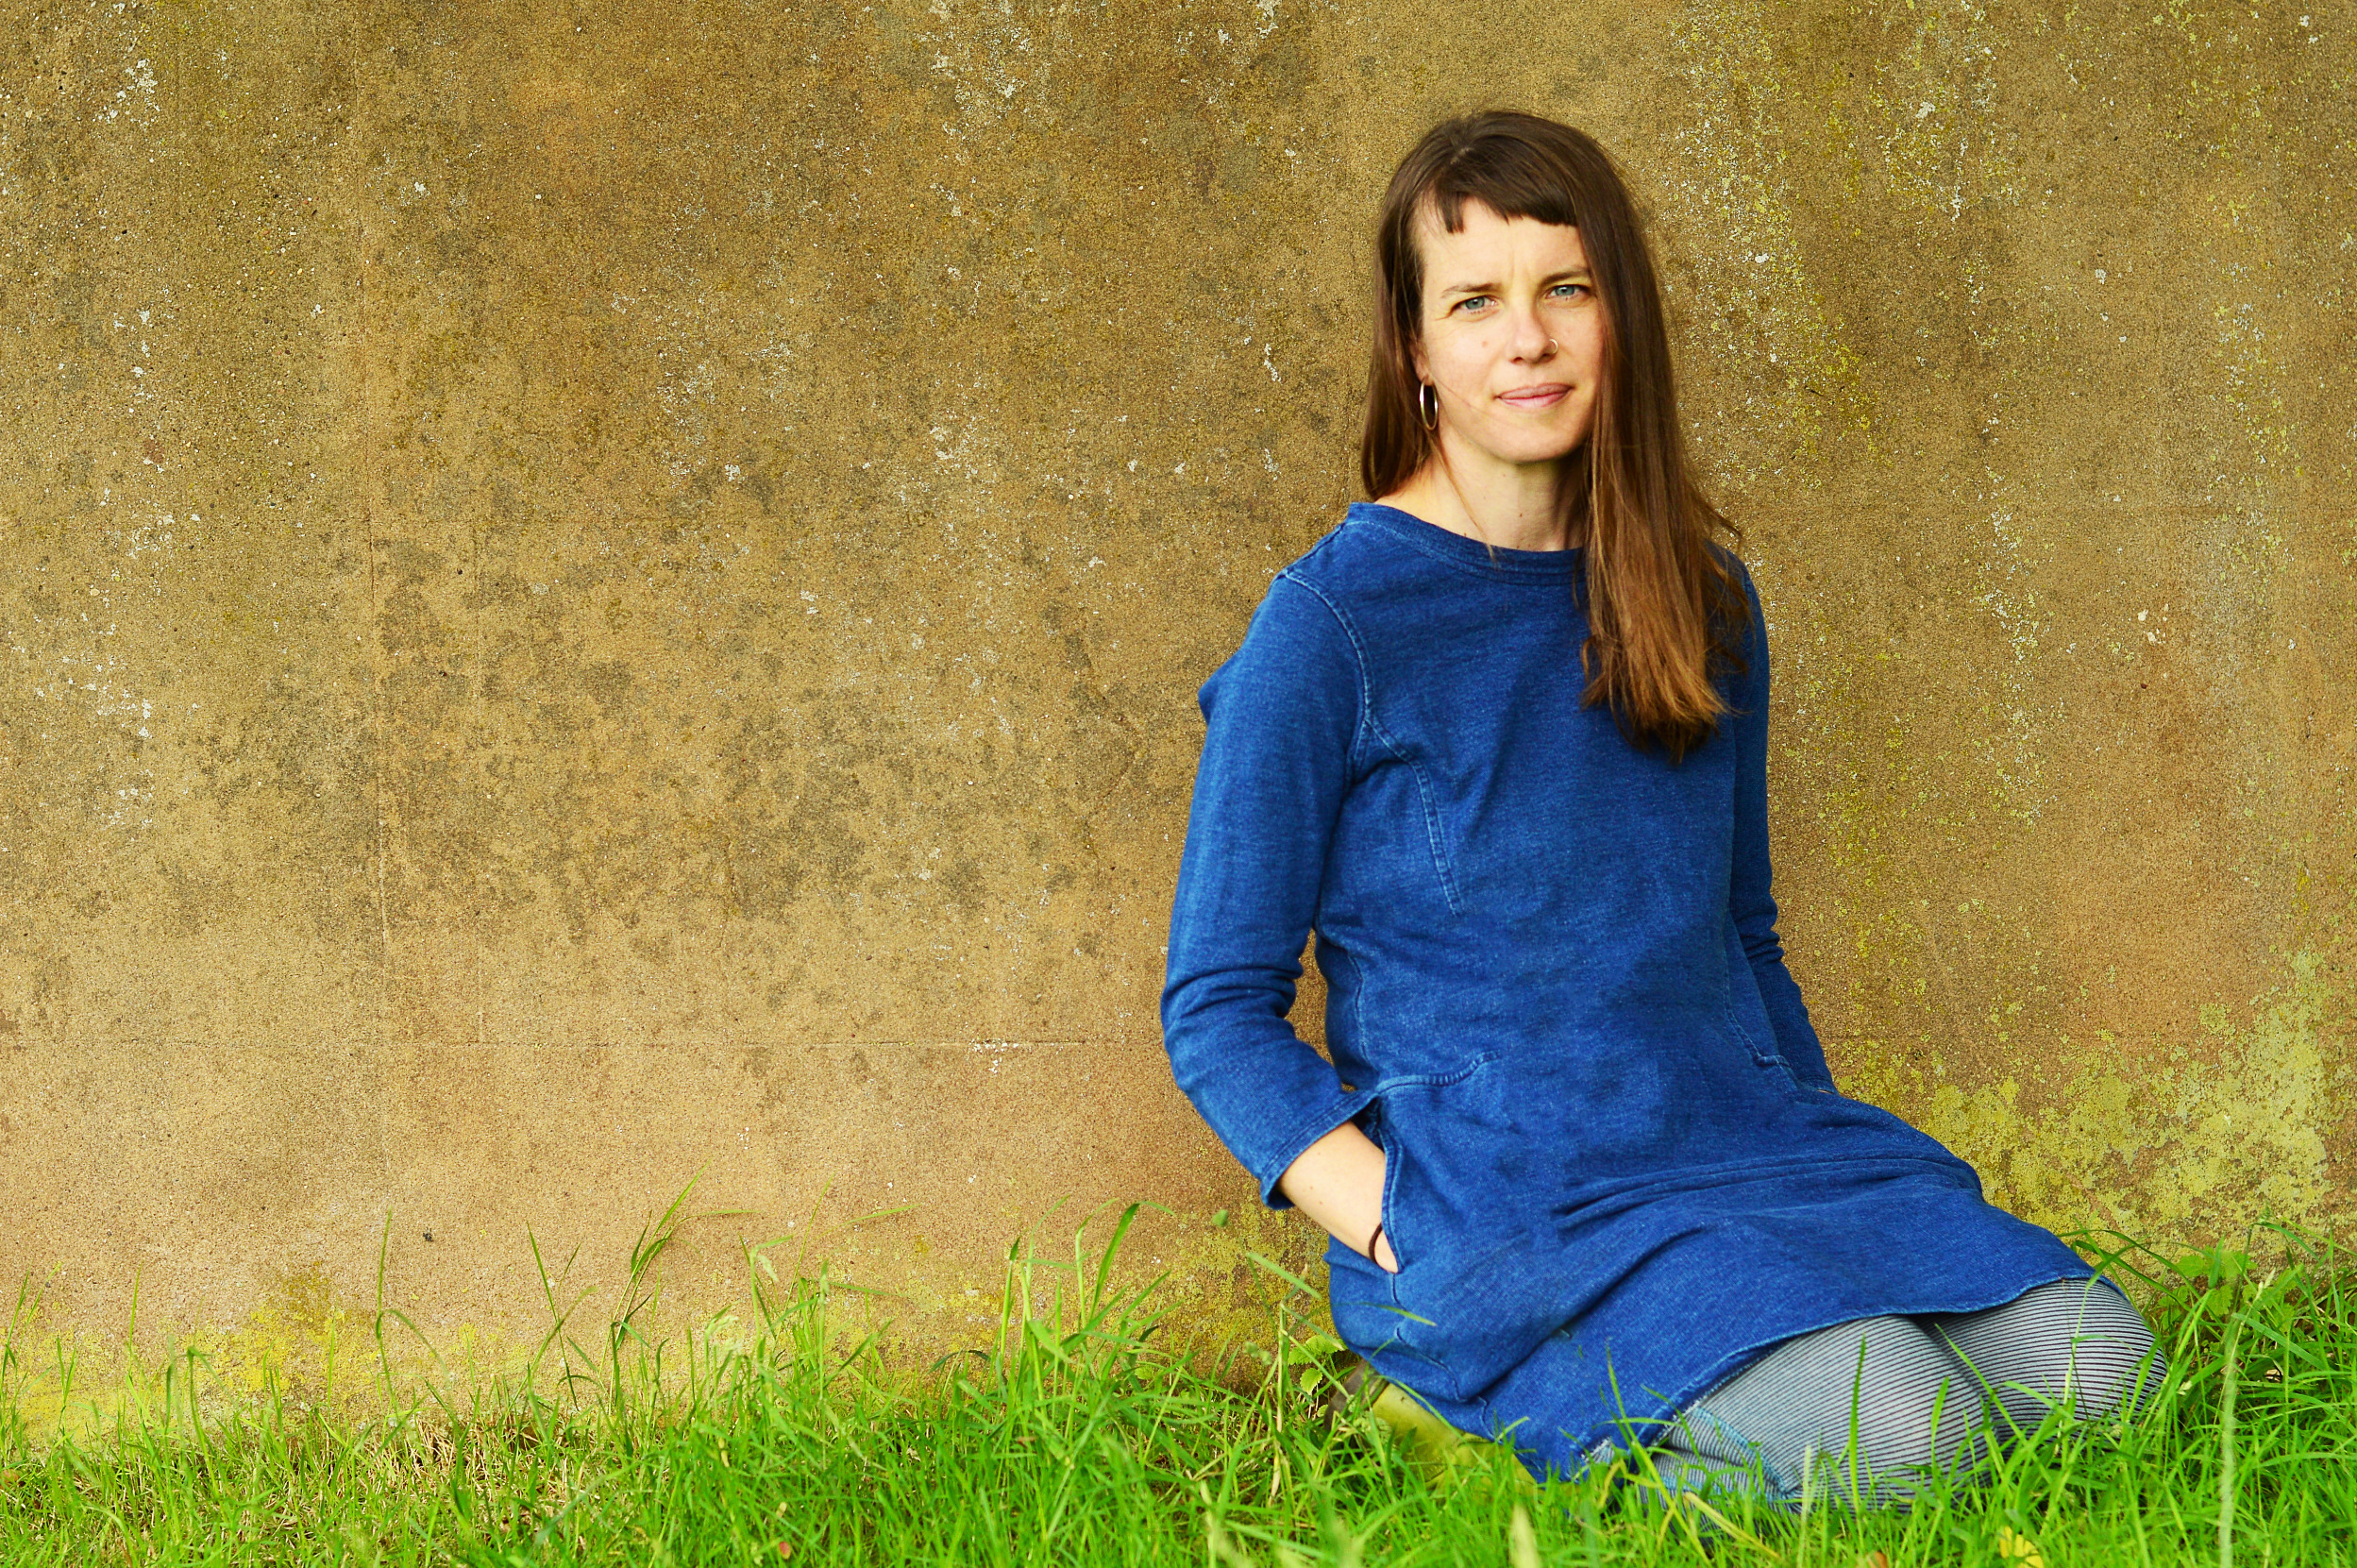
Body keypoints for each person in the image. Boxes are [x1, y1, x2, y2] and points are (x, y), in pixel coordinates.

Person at [1157, 110, 2164, 1507]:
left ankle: (1773, 1315)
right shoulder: (1329, 627)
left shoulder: (1702, 599)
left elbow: (1741, 934)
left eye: (1565, 288)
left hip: (1740, 1146)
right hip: (1509, 1202)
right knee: (1908, 1435)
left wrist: (1808, 1146)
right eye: (1474, 301)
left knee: (2108, 1376)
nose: (1528, 340)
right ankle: (1460, 1414)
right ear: (1414, 348)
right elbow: (1216, 1008)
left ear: (1619, 314)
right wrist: (1398, 1230)